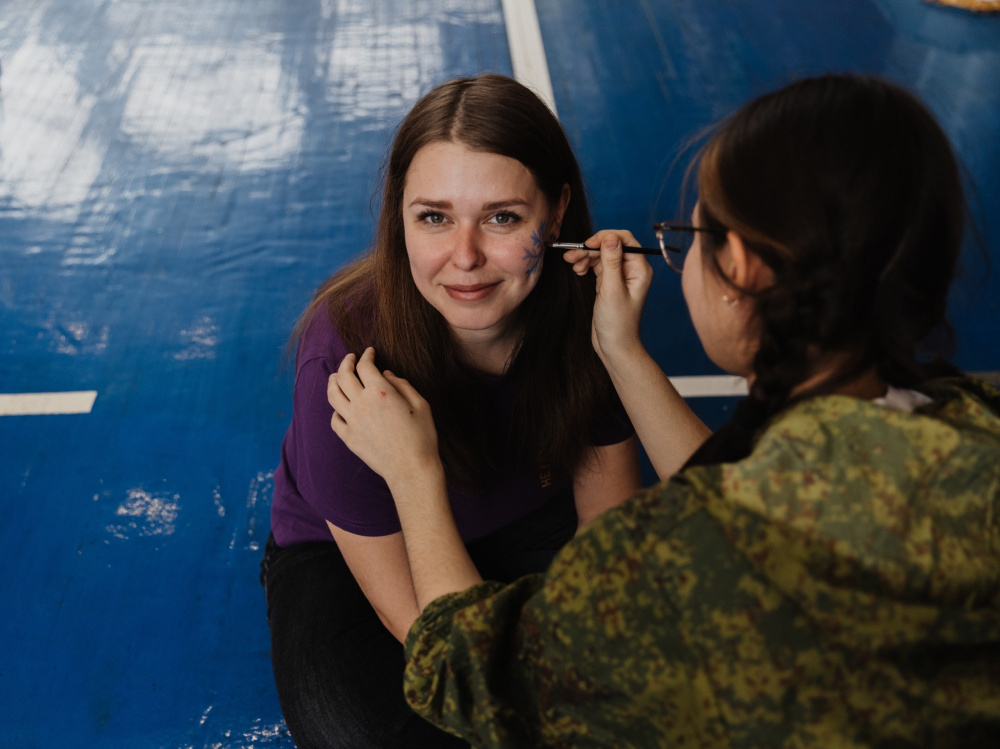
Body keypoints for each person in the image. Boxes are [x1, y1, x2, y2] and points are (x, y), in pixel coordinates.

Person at [327, 73, 1000, 747]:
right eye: (434, 216)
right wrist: (621, 353)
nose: (466, 254)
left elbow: (466, 674)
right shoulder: (974, 414)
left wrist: (414, 472)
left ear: (739, 267)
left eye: (691, 236)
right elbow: (751, 487)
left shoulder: (684, 565)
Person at [261, 73, 704, 748]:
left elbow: (606, 548)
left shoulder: (589, 312)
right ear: (399, 218)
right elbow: (430, 634)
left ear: (555, 215)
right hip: (363, 555)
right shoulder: (343, 355)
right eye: (433, 217)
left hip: (528, 521)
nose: (464, 258)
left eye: (502, 217)